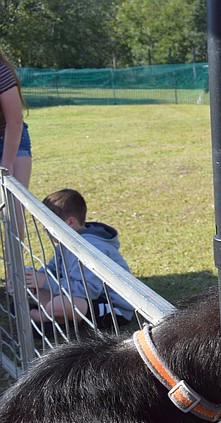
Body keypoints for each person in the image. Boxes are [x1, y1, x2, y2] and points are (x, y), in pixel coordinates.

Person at [25, 188, 135, 328]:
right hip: (81, 297)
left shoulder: (90, 248)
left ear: (70, 222)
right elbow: (53, 268)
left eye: (49, 225)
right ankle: (56, 317)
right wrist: (33, 277)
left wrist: (45, 282)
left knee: (58, 305)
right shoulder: (67, 242)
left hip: (112, 307)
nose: (45, 230)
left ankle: (44, 318)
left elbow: (88, 290)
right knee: (32, 281)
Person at [0, 49, 32, 188]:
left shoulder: (2, 73)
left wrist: (7, 163)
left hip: (11, 141)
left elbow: (15, 121)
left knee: (14, 206)